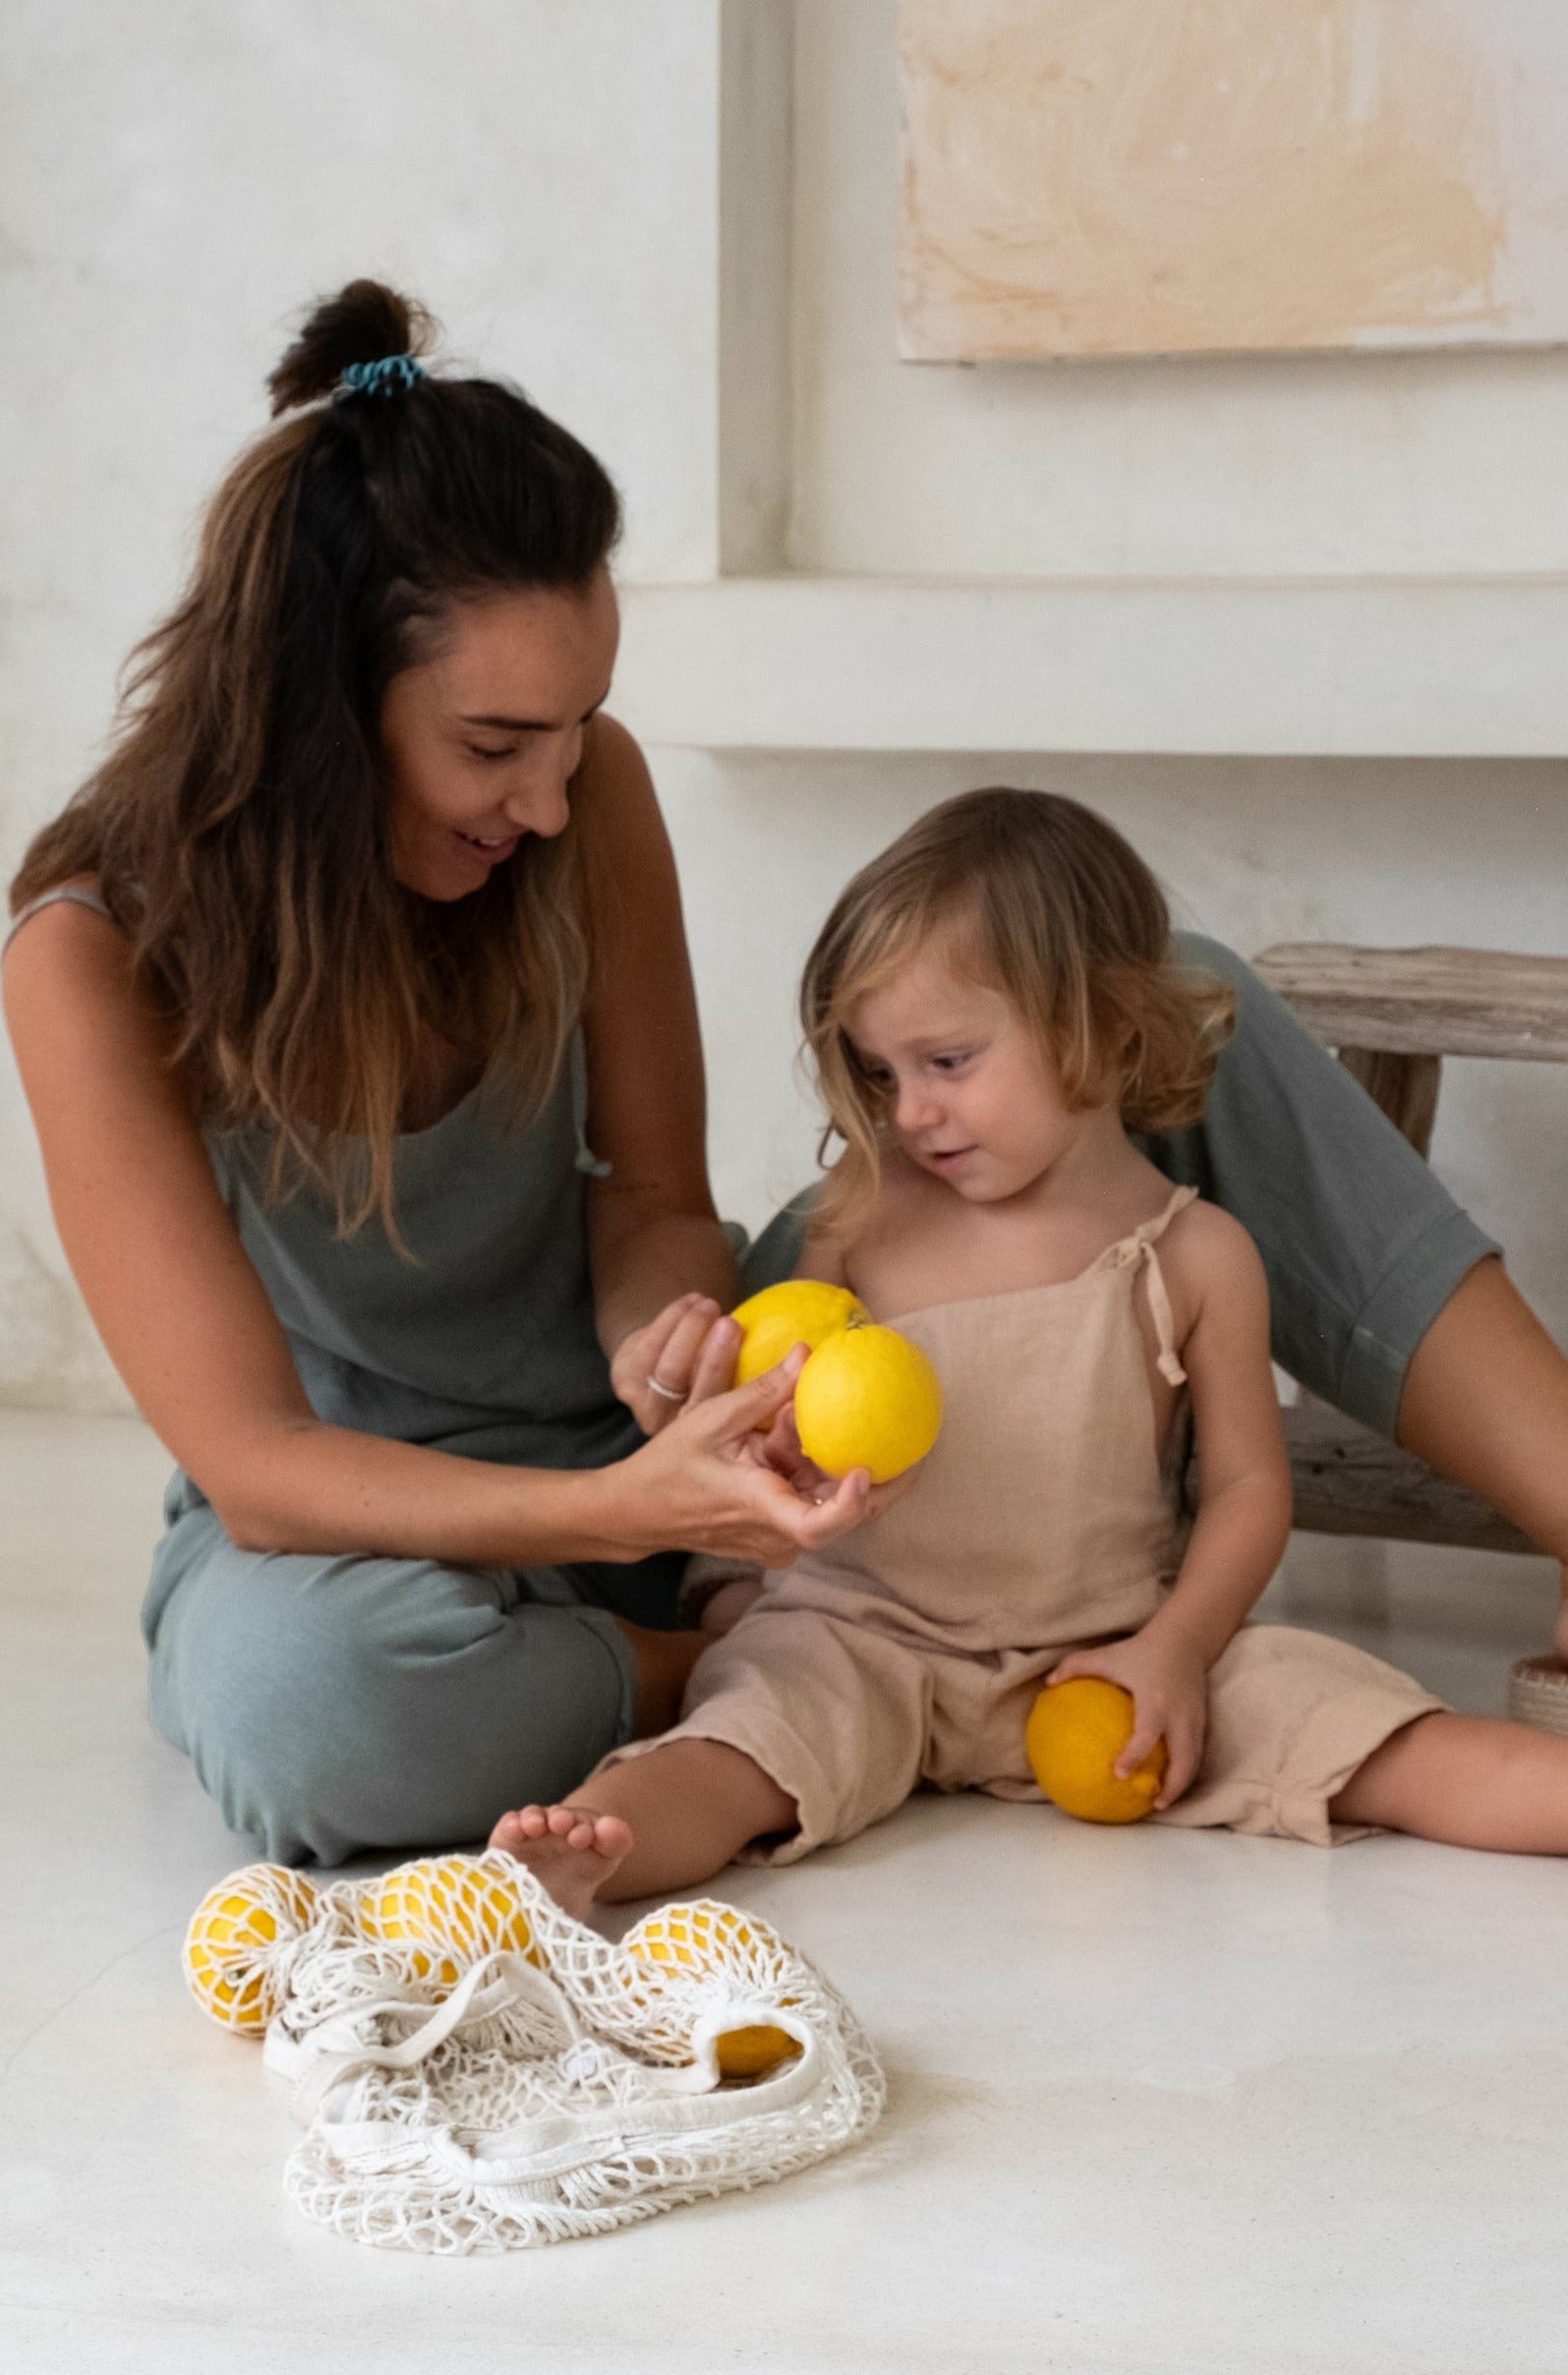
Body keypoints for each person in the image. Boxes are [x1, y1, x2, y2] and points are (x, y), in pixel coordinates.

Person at [6, 283, 1568, 1869]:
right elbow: (263, 1472)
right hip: (376, 1535)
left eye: (580, 729)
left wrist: (672, 1357)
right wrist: (638, 1521)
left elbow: (658, 1205)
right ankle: (823, 1678)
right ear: (317, 712)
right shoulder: (92, 955)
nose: (548, 799)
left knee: (1165, 1003)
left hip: (676, 1454)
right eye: (492, 747)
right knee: (318, 1715)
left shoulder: (582, 799)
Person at [488, 791, 1568, 1915]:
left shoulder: (1194, 1252)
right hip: (864, 1643)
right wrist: (761, 1546)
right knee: (737, 1748)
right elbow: (771, 1447)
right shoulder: (853, 1226)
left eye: (946, 1060)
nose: (910, 1113)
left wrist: (1175, 1650)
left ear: (1099, 1023)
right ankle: (570, 1864)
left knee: (1373, 1730)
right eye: (881, 1075)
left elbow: (1249, 1489)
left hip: (1106, 1648)